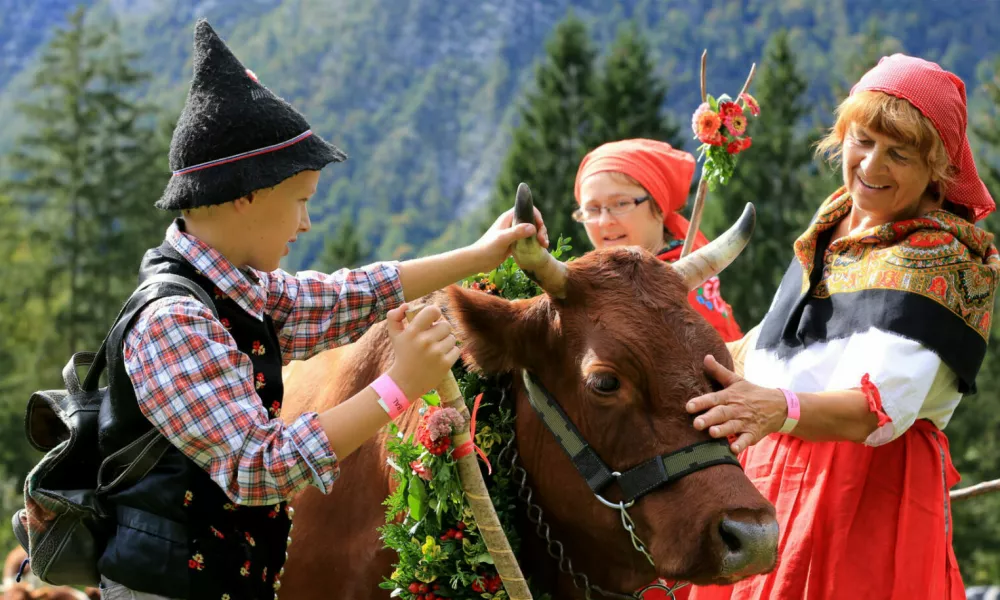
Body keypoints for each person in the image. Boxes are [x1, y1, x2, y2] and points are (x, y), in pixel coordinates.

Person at [97, 20, 547, 600]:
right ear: (246, 197)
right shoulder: (174, 321)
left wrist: (477, 256)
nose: (306, 223)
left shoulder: (238, 288)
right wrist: (398, 386)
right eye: (301, 202)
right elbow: (258, 468)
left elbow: (349, 297)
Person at [685, 54, 999, 600]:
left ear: (937, 171)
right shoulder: (834, 230)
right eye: (863, 141)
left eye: (899, 153)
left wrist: (779, 407)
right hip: (772, 467)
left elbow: (875, 410)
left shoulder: (940, 257)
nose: (872, 166)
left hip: (866, 492)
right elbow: (766, 352)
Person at [573, 139, 744, 342]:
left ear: (658, 205)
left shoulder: (685, 284)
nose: (604, 221)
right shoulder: (586, 287)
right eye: (592, 209)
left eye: (620, 203)